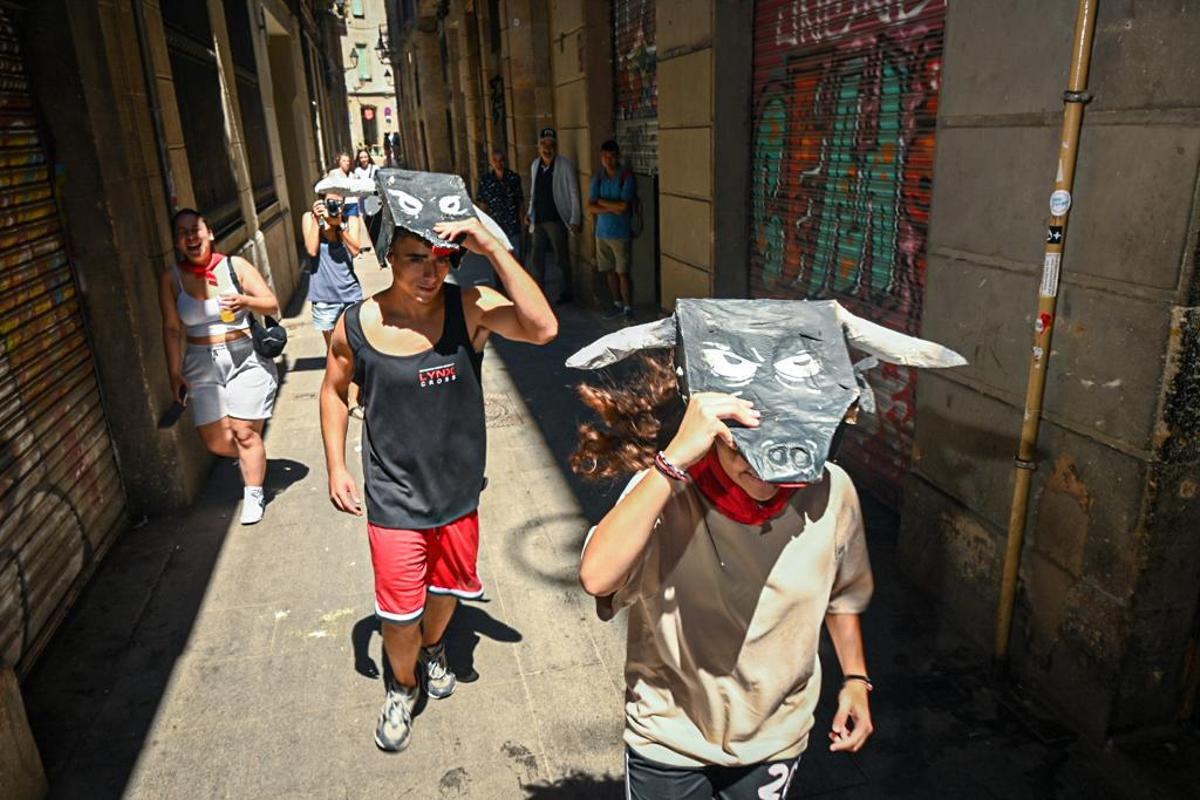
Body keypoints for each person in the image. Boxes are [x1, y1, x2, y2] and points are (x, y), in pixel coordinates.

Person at [319, 185, 558, 753]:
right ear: (387, 257)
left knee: (447, 593)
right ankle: (402, 687)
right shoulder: (356, 325)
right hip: (393, 499)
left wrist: (493, 249)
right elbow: (333, 392)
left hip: (458, 495)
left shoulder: (469, 306)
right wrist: (335, 466)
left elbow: (544, 328)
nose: (431, 273)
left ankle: (434, 649)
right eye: (415, 259)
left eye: (442, 258)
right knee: (399, 615)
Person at [158, 208, 281, 525]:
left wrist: (246, 302)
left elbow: (272, 304)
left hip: (245, 357)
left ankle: (253, 491)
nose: (190, 236)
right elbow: (172, 329)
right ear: (177, 241)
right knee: (215, 441)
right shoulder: (171, 279)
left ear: (209, 232)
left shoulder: (234, 265)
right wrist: (174, 373)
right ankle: (253, 455)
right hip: (200, 364)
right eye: (182, 232)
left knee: (243, 432)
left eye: (195, 229)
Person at [523, 126, 580, 304]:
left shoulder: (564, 165)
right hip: (538, 219)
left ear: (555, 146)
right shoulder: (535, 165)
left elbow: (573, 191)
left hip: (556, 219)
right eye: (543, 145)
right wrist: (529, 212)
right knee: (536, 258)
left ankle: (567, 292)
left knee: (561, 258)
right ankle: (538, 293)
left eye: (550, 145)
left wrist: (574, 218)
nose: (547, 148)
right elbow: (534, 192)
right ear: (539, 146)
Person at [586, 139, 636, 321]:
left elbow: (623, 206)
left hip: (620, 233)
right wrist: (610, 207)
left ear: (618, 157)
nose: (609, 160)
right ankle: (617, 303)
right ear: (601, 158)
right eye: (605, 157)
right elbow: (590, 206)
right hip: (602, 232)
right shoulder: (598, 177)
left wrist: (601, 201)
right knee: (608, 270)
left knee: (622, 272)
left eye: (612, 157)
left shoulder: (626, 177)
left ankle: (628, 307)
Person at [476, 148, 524, 260]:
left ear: (505, 161)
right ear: (491, 162)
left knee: (516, 259)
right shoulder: (486, 180)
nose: (498, 163)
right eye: (495, 160)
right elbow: (483, 204)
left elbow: (520, 201)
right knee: (498, 260)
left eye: (501, 160)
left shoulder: (513, 178)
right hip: (495, 227)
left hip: (513, 225)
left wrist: (523, 221)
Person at [354, 148, 381, 249]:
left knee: (376, 222)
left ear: (369, 157)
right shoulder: (357, 171)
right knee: (367, 223)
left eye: (365, 157)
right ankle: (372, 242)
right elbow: (356, 186)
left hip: (374, 199)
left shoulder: (375, 168)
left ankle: (377, 242)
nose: (363, 159)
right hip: (363, 200)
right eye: (361, 157)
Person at [328, 152, 360, 218]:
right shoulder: (334, 173)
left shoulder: (352, 175)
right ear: (339, 162)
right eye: (344, 161)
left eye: (348, 161)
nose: (347, 163)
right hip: (339, 206)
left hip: (352, 205)